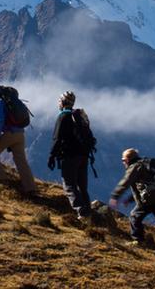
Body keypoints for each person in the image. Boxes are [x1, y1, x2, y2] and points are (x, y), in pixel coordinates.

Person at [48, 91, 95, 219]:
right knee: (82, 186)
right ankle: (89, 212)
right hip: (84, 155)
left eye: (59, 101)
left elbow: (57, 139)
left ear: (62, 102)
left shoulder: (63, 117)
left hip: (69, 156)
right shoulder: (78, 116)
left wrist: (51, 156)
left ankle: (81, 211)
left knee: (69, 185)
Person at [0, 78, 37, 195]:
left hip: (9, 132)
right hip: (20, 133)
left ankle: (1, 180)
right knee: (21, 161)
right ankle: (31, 188)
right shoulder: (9, 95)